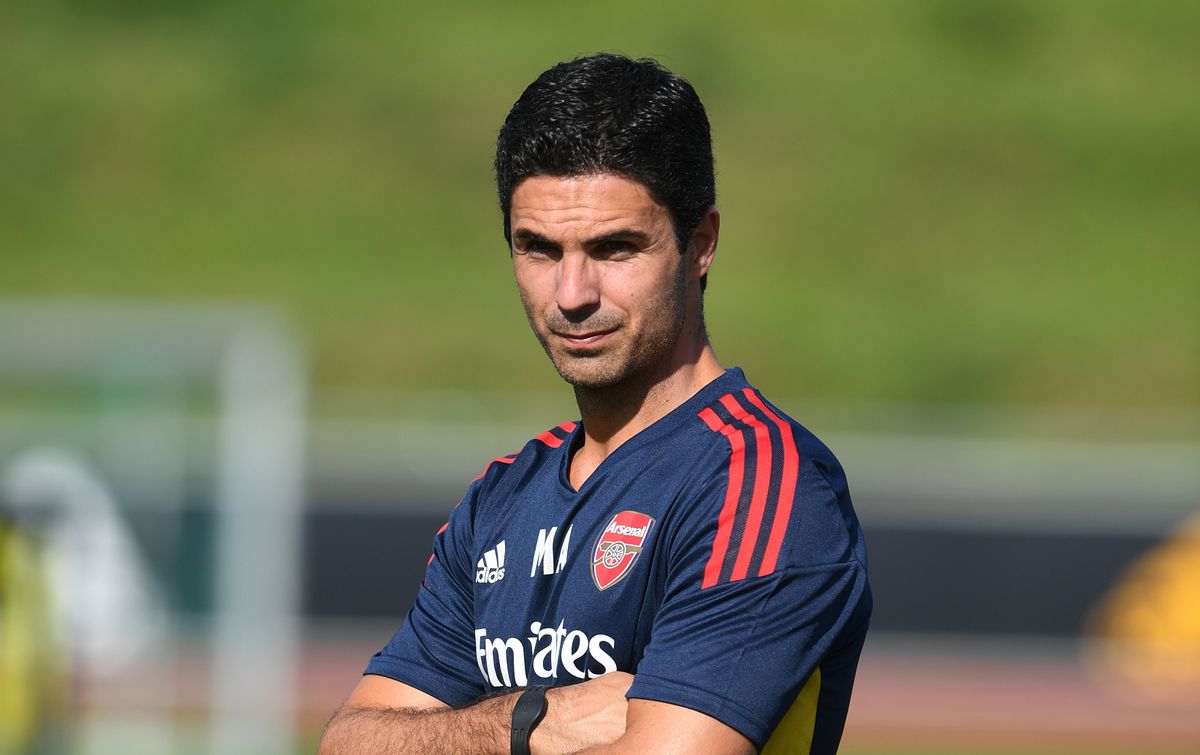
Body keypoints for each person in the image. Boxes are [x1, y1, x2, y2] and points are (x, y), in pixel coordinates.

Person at [320, 53, 871, 755]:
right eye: (539, 249)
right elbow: (350, 741)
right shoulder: (501, 495)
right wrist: (525, 723)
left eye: (614, 248)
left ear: (699, 245)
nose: (573, 294)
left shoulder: (759, 481)